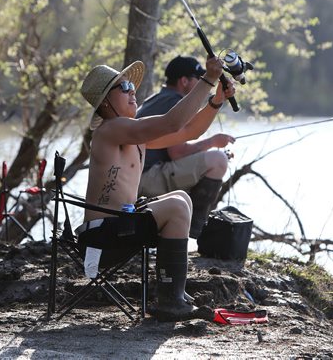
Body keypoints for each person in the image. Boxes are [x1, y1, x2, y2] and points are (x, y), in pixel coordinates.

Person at [78, 57, 235, 322]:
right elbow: (171, 123)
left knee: (180, 197)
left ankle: (174, 294)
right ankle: (170, 301)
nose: (132, 91)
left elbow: (187, 131)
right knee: (176, 207)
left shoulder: (133, 135)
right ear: (105, 102)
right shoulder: (110, 130)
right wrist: (208, 79)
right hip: (101, 239)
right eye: (124, 86)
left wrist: (216, 100)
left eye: (131, 86)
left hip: (120, 228)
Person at [136, 56, 235, 239]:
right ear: (184, 81)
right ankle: (194, 233)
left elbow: (183, 138)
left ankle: (184, 228)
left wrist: (217, 100)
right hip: (145, 178)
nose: (203, 87)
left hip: (136, 177)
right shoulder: (175, 102)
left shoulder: (156, 98)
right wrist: (211, 143)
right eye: (199, 80)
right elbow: (177, 152)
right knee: (218, 161)